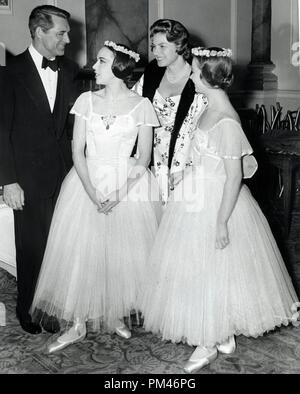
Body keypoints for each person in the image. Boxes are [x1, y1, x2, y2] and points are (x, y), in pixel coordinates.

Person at [140, 47, 299, 373]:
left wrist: (222, 221)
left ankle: (208, 341)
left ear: (209, 79)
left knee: (209, 269)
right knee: (196, 268)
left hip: (218, 204)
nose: (191, 76)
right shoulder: (208, 108)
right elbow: (203, 156)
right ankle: (220, 332)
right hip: (194, 195)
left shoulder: (227, 122)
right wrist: (187, 172)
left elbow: (233, 178)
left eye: (196, 72)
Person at [30, 41, 161, 353]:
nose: (95, 67)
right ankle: (76, 322)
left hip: (127, 185)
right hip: (86, 182)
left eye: (102, 62)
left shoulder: (142, 106)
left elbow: (143, 158)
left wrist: (119, 193)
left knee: (121, 252)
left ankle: (114, 312)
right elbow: (77, 151)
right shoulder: (85, 100)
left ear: (119, 67)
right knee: (81, 253)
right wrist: (91, 192)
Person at [0, 5, 79, 335]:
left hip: (63, 173)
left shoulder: (71, 70)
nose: (68, 39)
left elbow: (73, 126)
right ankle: (28, 310)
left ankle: (53, 309)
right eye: (61, 33)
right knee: (31, 247)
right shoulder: (9, 70)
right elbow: (1, 129)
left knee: (60, 247)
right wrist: (8, 181)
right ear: (39, 32)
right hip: (27, 176)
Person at [133, 19, 207, 204]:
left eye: (162, 46)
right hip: (149, 156)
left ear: (180, 46)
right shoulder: (152, 71)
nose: (155, 52)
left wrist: (187, 168)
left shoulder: (198, 77)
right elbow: (133, 103)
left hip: (183, 161)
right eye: (153, 46)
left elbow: (204, 129)